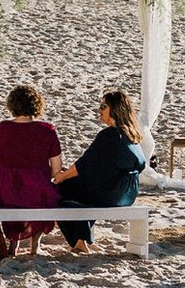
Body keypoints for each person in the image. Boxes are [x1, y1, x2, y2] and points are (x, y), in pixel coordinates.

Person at [53, 89, 147, 253]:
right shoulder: (131, 135)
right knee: (81, 193)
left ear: (114, 110)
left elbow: (85, 164)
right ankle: (81, 238)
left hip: (111, 193)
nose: (100, 110)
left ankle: (78, 241)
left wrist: (62, 176)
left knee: (60, 192)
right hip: (128, 193)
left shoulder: (109, 135)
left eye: (104, 106)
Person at [0, 84, 62, 258]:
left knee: (14, 196)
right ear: (36, 105)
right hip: (37, 186)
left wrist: (12, 172)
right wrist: (39, 176)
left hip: (7, 186)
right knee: (44, 196)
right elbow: (57, 167)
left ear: (12, 105)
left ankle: (14, 244)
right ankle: (35, 245)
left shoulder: (3, 128)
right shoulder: (47, 130)